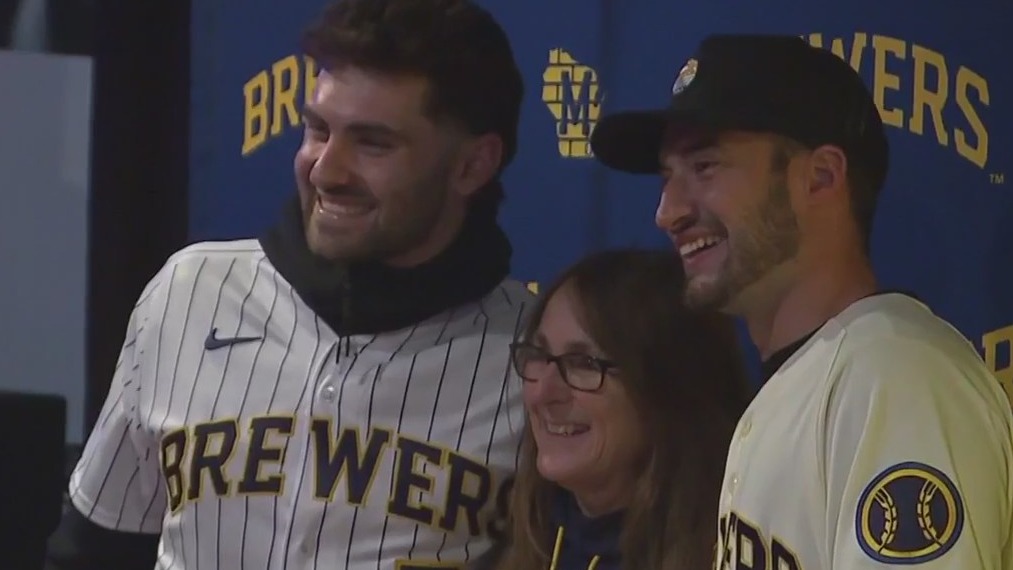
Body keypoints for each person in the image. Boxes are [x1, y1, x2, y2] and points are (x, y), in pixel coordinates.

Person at [44, 0, 532, 569]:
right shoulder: (190, 290)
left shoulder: (536, 358)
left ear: (473, 165)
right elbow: (95, 548)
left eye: (373, 143)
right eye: (318, 129)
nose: (326, 169)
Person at [589, 34, 1013, 569]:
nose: (667, 212)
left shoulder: (895, 377)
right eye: (667, 176)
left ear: (820, 177)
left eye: (705, 167)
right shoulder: (810, 380)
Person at [486, 249, 752, 570]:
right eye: (539, 355)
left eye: (583, 363)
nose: (543, 392)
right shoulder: (519, 542)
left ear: (666, 392)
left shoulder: (725, 556)